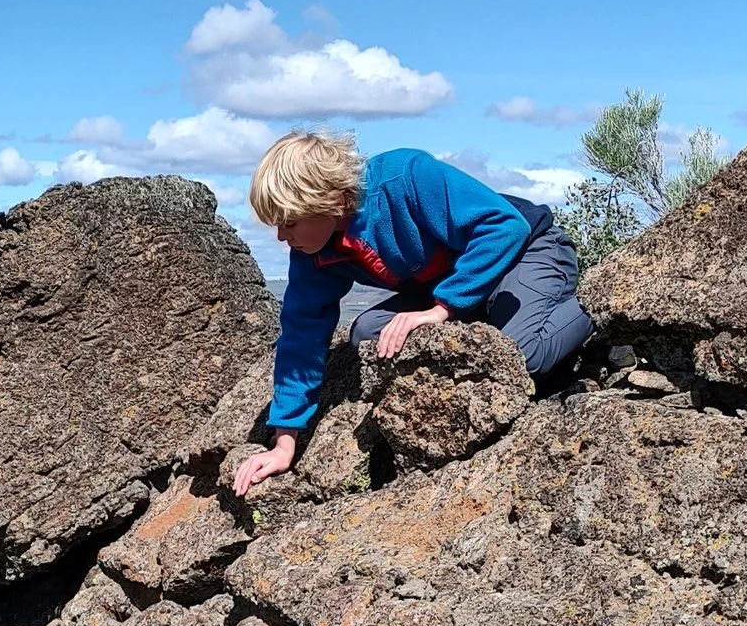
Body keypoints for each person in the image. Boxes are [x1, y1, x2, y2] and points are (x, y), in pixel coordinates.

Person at [231, 131, 596, 496]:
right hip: (456, 280)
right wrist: (284, 444)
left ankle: (601, 304)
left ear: (332, 200)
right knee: (370, 334)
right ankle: (481, 313)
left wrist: (442, 309)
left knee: (517, 359)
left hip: (526, 250)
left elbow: (505, 227)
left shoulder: (405, 176)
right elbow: (301, 336)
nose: (281, 236)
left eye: (289, 222)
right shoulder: (315, 252)